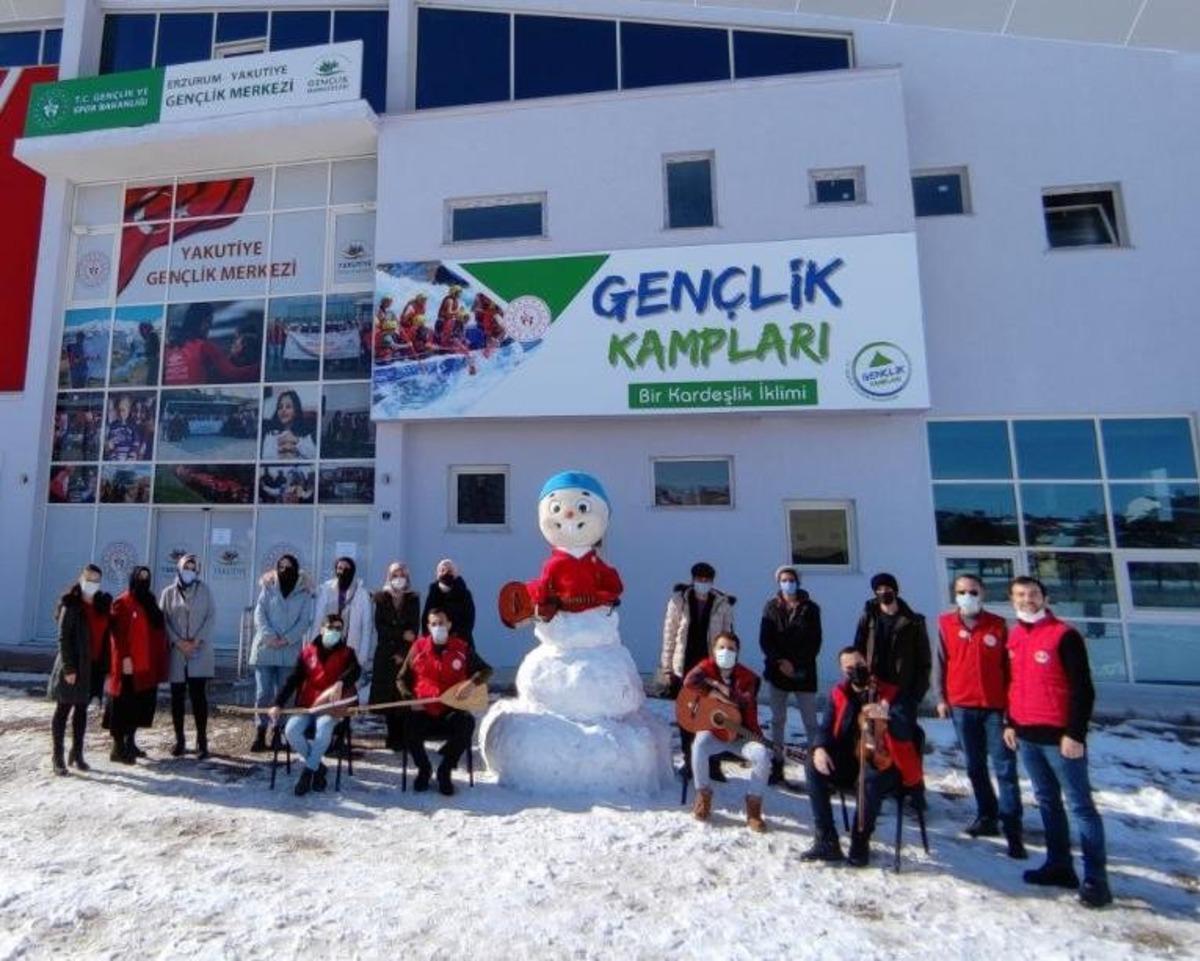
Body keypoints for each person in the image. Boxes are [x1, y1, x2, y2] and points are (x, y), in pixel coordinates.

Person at [1003, 576, 1111, 908]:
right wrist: (1010, 722)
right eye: (1020, 595)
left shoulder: (1064, 635)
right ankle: (1059, 865)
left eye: (1033, 594)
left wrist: (1075, 733)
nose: (1027, 600)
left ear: (1045, 597)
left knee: (1081, 807)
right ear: (1012, 601)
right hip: (1027, 735)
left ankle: (1095, 879)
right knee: (1048, 802)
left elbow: (1083, 688)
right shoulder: (1017, 635)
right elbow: (1014, 682)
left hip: (1060, 738)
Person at [801, 647, 925, 866]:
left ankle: (860, 841)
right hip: (849, 760)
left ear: (868, 664)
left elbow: (908, 729)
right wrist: (819, 748)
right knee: (812, 766)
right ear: (842, 671)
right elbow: (825, 728)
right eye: (850, 668)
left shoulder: (892, 694)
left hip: (886, 764)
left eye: (860, 665)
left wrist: (886, 715)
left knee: (869, 779)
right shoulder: (839, 692)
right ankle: (826, 839)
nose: (856, 671)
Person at [935, 574, 1025, 857]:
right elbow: (941, 662)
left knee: (1005, 768)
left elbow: (1011, 670)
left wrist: (1013, 709)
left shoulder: (998, 626)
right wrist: (941, 698)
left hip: (995, 708)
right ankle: (987, 816)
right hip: (962, 706)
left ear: (982, 593)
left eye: (972, 591)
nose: (967, 596)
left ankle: (1012, 826)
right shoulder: (946, 624)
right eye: (962, 591)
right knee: (975, 766)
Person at [396, 607, 492, 796]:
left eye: (441, 623)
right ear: (428, 627)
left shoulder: (461, 648)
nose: (438, 627)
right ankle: (424, 769)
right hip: (423, 709)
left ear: (449, 624)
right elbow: (401, 679)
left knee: (467, 724)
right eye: (434, 624)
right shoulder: (418, 648)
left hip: (451, 709)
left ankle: (445, 770)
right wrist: (410, 699)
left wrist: (472, 683)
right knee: (408, 726)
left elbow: (486, 670)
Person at [683, 632, 771, 832]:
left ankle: (754, 808)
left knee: (762, 755)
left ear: (737, 653)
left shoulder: (749, 678)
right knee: (699, 744)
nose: (725, 652)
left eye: (731, 649)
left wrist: (722, 690)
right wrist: (713, 689)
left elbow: (743, 700)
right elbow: (689, 681)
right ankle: (703, 796)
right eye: (721, 647)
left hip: (741, 734)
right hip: (715, 732)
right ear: (714, 650)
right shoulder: (707, 668)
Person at [268, 614, 362, 796]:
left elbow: (355, 671)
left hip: (331, 707)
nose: (334, 632)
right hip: (307, 705)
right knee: (291, 730)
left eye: (338, 628)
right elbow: (293, 679)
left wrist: (341, 682)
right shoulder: (307, 652)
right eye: (331, 627)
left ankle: (307, 773)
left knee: (324, 728)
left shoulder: (347, 653)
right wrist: (277, 703)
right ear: (321, 629)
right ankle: (318, 767)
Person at [659, 562, 736, 781]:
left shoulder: (722, 603)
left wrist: (727, 668)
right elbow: (670, 633)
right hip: (684, 665)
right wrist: (667, 668)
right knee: (688, 716)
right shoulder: (679, 601)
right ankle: (689, 760)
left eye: (707, 579)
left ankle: (713, 763)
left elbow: (729, 637)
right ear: (693, 579)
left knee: (714, 714)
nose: (703, 583)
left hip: (711, 667)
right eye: (699, 579)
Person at [759, 565, 822, 785]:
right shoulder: (771, 607)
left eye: (791, 579)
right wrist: (779, 661)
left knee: (811, 722)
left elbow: (815, 641)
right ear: (778, 582)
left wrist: (795, 664)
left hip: (804, 672)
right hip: (778, 672)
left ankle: (816, 767)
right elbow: (765, 639)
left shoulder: (810, 608)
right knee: (778, 720)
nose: (788, 583)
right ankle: (777, 763)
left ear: (798, 581)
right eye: (784, 580)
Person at [47, 564, 111, 774]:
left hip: (92, 667)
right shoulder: (71, 605)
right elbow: (63, 638)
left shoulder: (102, 605)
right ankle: (57, 757)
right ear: (81, 579)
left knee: (82, 711)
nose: (91, 584)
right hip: (73, 666)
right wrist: (68, 668)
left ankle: (77, 753)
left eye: (96, 580)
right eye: (88, 579)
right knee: (64, 709)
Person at [248, 554, 314, 752]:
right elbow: (259, 614)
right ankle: (260, 732)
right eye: (281, 566)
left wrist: (286, 639)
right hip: (265, 649)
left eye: (289, 566)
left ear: (296, 568)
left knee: (284, 695)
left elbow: (304, 621)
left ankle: (279, 732)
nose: (285, 569)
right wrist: (269, 636)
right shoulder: (268, 587)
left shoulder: (304, 593)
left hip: (288, 651)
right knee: (263, 693)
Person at [104, 567, 167, 763]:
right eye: (140, 578)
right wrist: (124, 658)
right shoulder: (123, 602)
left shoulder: (150, 601)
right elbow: (116, 634)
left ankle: (130, 741)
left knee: (139, 705)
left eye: (147, 578)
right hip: (128, 665)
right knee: (122, 704)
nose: (143, 581)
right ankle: (118, 746)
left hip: (146, 664)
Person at [160, 554, 215, 759]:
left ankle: (202, 740)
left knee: (199, 697)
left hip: (199, 651)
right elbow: (163, 620)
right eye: (186, 567)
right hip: (177, 652)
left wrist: (196, 640)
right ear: (179, 569)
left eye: (192, 568)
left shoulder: (205, 591)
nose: (189, 571)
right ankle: (180, 740)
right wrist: (177, 641)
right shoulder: (168, 593)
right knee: (177, 698)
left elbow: (211, 616)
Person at [371, 562, 421, 751]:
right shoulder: (381, 597)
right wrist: (401, 634)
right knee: (388, 696)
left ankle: (404, 736)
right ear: (389, 576)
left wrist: (403, 653)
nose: (398, 577)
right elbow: (380, 627)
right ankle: (392, 736)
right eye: (394, 574)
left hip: (406, 653)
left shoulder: (413, 598)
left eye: (402, 574)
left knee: (404, 694)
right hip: (385, 653)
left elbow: (413, 629)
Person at [312, 556, 375, 681]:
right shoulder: (325, 589)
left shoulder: (362, 594)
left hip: (350, 648)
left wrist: (362, 657)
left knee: (345, 685)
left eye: (347, 568)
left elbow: (367, 627)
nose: (343, 571)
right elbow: (317, 619)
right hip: (327, 646)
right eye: (340, 568)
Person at [163, 302, 256, 385]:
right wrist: (260, 367)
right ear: (198, 322)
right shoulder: (203, 346)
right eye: (208, 322)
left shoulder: (169, 347)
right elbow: (232, 374)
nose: (210, 326)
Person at [422, 558, 476, 648]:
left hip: (460, 642)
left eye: (450, 570)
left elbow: (469, 620)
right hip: (436, 641)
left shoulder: (464, 593)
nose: (446, 573)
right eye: (442, 570)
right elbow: (425, 618)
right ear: (437, 574)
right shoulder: (433, 592)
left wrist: (456, 635)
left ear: (455, 574)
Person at [261, 389, 317, 460]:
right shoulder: (270, 435)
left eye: (288, 407)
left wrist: (296, 442)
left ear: (296, 411)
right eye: (280, 407)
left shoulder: (306, 436)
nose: (283, 410)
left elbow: (314, 456)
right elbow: (265, 459)